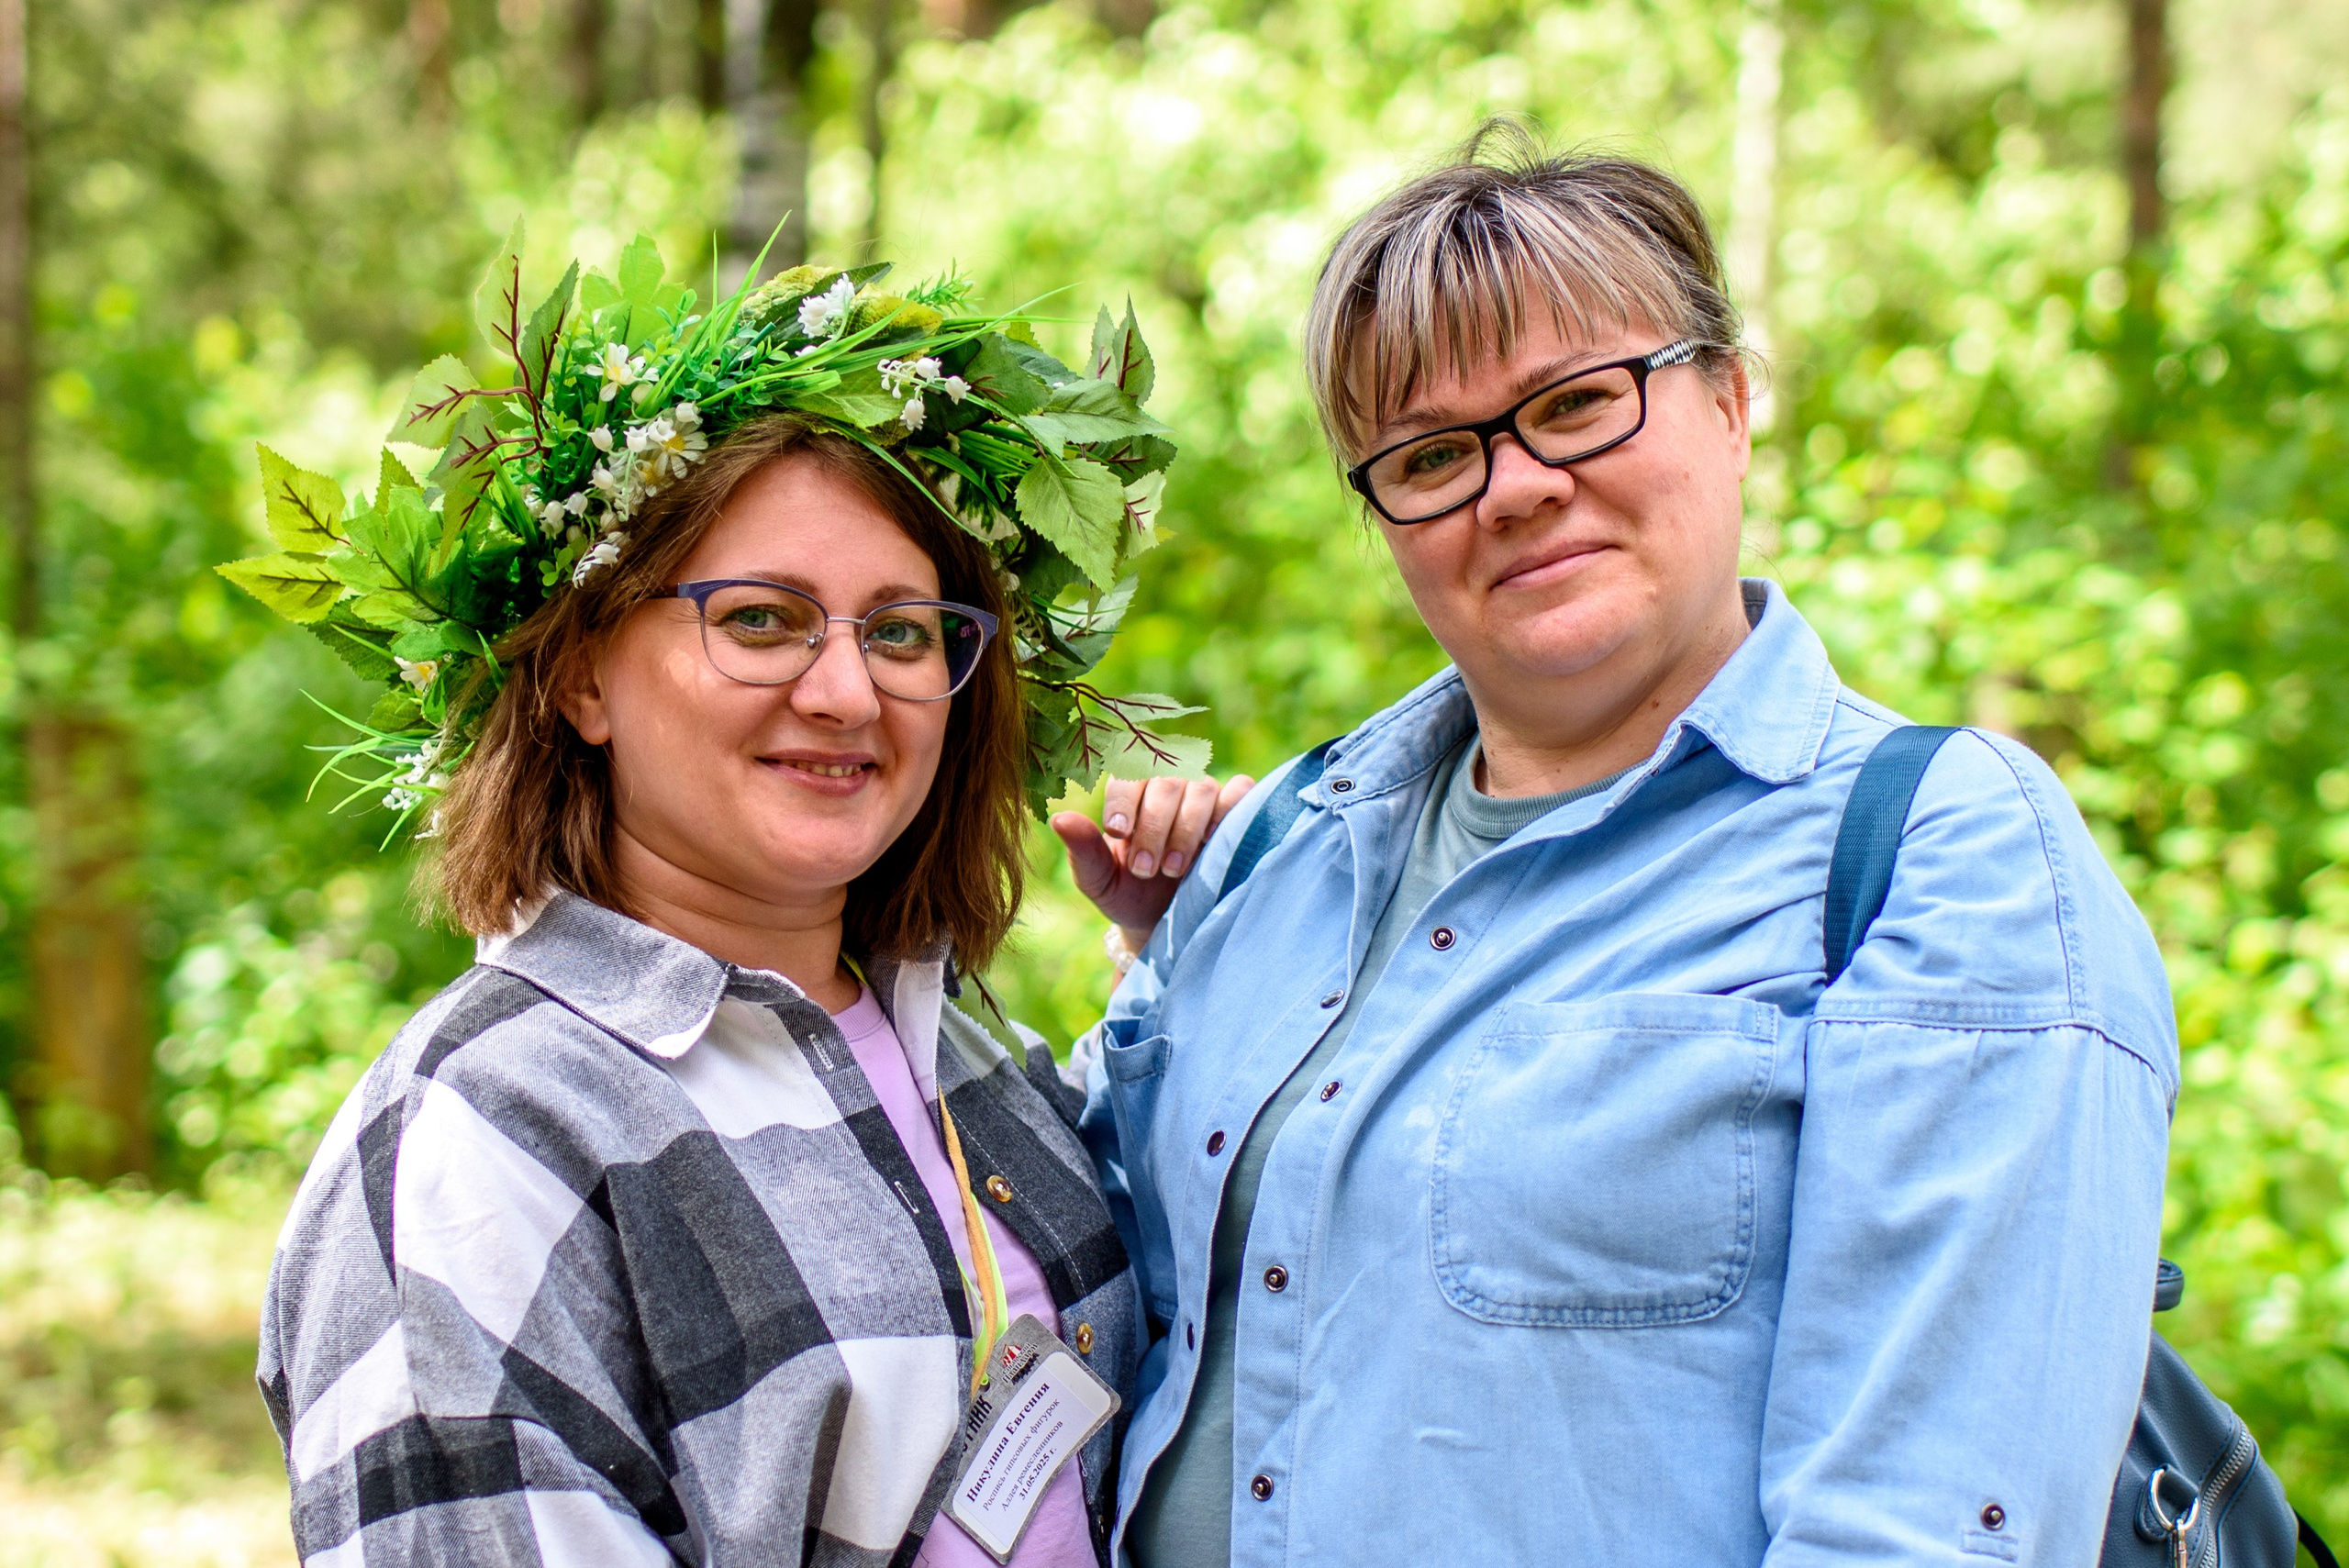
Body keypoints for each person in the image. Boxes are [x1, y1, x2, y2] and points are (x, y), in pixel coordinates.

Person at [1052, 128, 2176, 1567]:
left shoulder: (1939, 855)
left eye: (1578, 404)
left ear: (1731, 401)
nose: (1512, 487)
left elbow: (1924, 1534)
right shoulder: (1275, 851)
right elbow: (1055, 1294)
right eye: (1431, 453)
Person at [248, 250, 1229, 1565]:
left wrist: (1184, 955)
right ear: (582, 675)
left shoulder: (952, 1035)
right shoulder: (480, 1139)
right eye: (762, 619)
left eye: (899, 630)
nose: (845, 692)